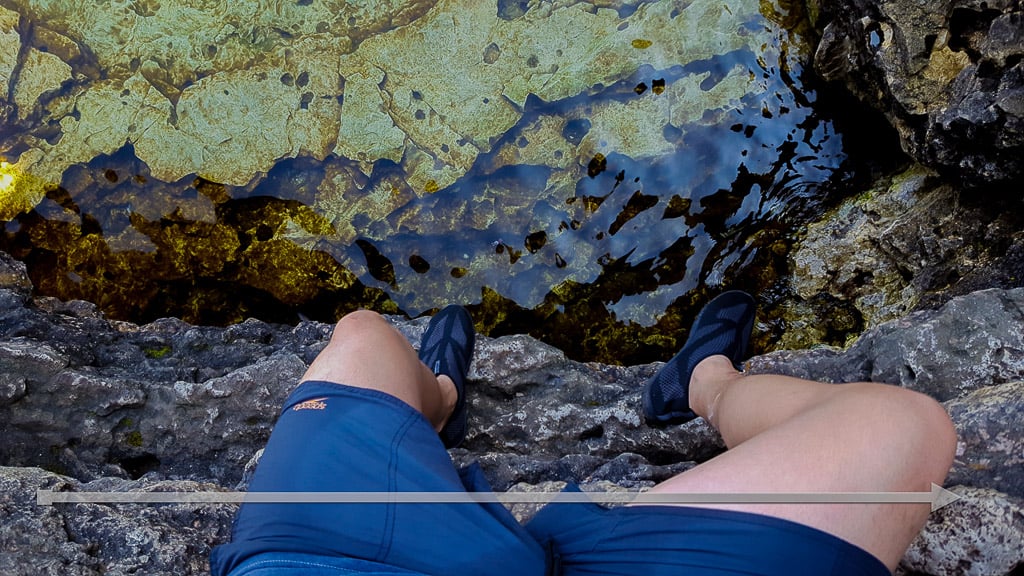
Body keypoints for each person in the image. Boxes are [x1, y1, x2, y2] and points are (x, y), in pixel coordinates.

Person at [210, 291, 957, 575]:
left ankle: (437, 403)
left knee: (363, 336)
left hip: (328, 564)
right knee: (899, 427)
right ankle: (706, 383)